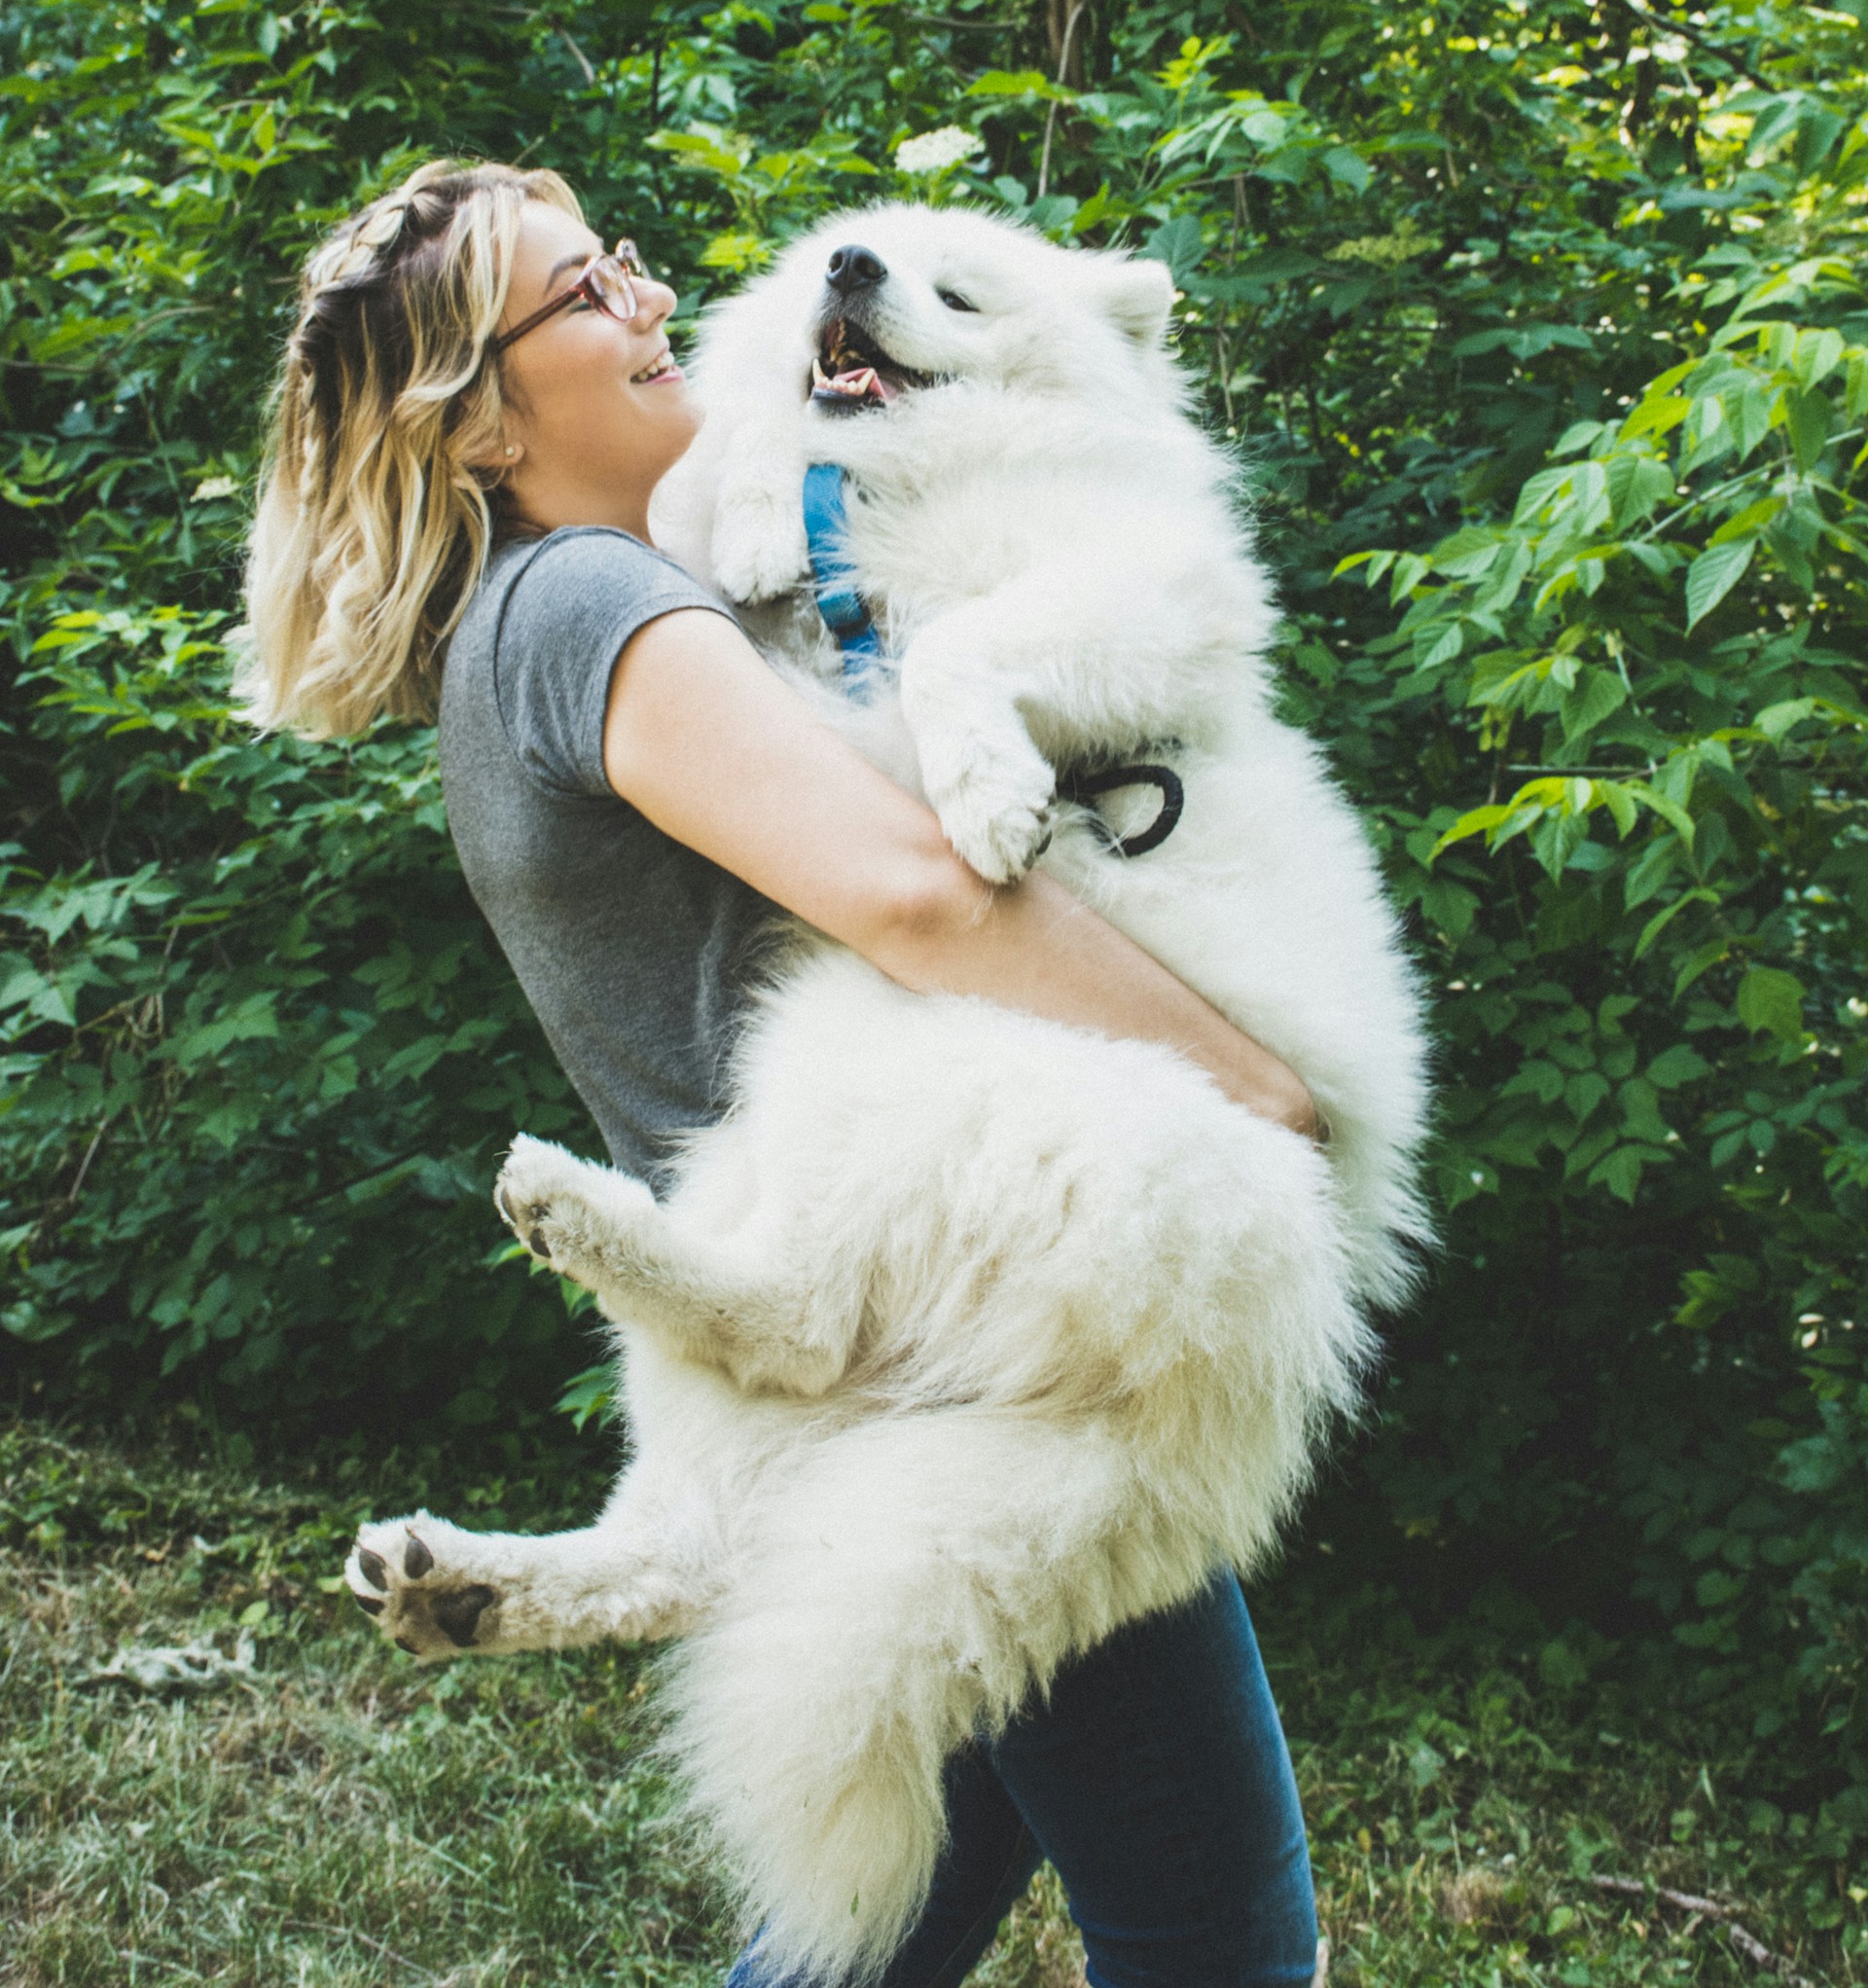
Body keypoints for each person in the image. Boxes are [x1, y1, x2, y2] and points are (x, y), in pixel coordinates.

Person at [245, 156, 1326, 1988]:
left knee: (893, 1912)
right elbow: (917, 889)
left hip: (876, 1315)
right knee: (1220, 1931)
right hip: (941, 1327)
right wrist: (1251, 1088)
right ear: (484, 416)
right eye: (587, 293)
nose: (654, 301)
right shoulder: (593, 601)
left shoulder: (566, 614)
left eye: (632, 263)